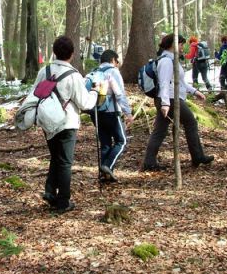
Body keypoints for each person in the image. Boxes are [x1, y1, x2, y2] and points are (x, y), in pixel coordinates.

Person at [37, 36, 98, 213]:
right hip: (67, 122)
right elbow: (85, 103)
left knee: (56, 157)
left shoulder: (45, 71)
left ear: (54, 52)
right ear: (71, 54)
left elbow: (36, 93)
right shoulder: (73, 75)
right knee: (64, 162)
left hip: (47, 120)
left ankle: (50, 191)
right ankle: (63, 201)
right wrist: (94, 92)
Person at [142, 34, 214, 171]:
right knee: (190, 122)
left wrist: (194, 91)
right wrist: (165, 103)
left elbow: (180, 82)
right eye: (181, 44)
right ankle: (197, 156)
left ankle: (149, 162)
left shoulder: (172, 60)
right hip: (170, 99)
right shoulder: (166, 62)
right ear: (172, 45)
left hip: (170, 98)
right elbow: (164, 83)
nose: (183, 47)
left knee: (160, 131)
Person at [86, 50, 134, 182]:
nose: (117, 64)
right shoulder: (113, 72)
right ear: (113, 60)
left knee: (106, 144)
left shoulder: (93, 73)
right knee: (121, 141)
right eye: (117, 61)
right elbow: (119, 94)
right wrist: (128, 113)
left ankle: (105, 175)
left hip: (96, 113)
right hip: (112, 112)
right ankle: (107, 166)